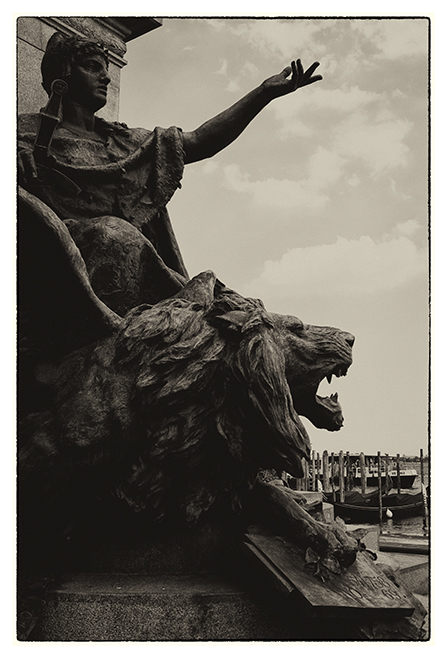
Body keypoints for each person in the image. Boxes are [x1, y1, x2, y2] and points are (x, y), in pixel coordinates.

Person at [18, 32, 322, 319]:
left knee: (234, 310)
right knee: (114, 234)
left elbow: (200, 141)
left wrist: (262, 94)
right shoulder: (22, 136)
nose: (106, 77)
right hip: (67, 265)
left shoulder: (125, 141)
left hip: (134, 264)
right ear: (64, 75)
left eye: (106, 68)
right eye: (92, 67)